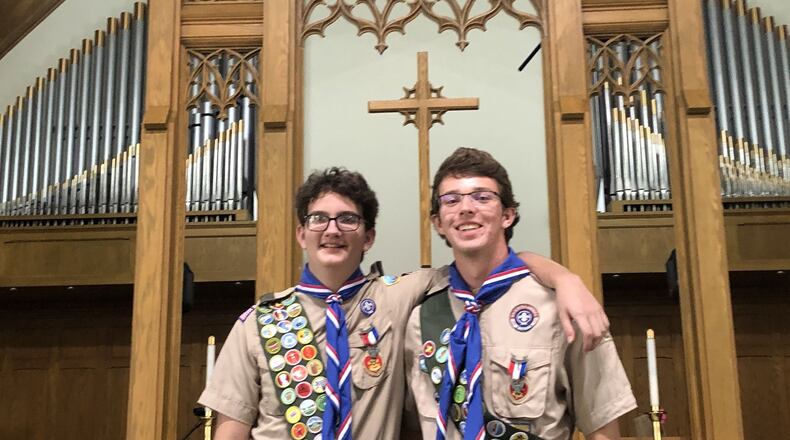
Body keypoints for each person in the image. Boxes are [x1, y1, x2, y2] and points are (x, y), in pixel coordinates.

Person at [199, 167, 610, 440]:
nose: (332, 230)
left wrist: (565, 278)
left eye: (348, 219)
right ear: (300, 234)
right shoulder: (260, 322)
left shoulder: (397, 297)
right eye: (318, 219)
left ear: (369, 237)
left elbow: (484, 262)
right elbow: (232, 427)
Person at [404, 148, 636, 440]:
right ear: (439, 222)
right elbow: (412, 425)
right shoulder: (420, 316)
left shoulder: (562, 308)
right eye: (451, 200)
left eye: (482, 197)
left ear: (507, 215)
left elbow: (602, 426)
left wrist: (565, 278)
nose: (465, 208)